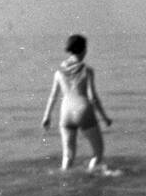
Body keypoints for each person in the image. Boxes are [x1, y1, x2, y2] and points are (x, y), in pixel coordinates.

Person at [42, 34, 113, 172]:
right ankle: (91, 175)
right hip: (82, 110)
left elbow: (53, 96)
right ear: (83, 50)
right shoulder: (87, 70)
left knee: (68, 156)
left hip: (66, 113)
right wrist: (105, 118)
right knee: (98, 153)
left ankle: (65, 183)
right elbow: (93, 97)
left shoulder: (59, 72)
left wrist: (47, 117)